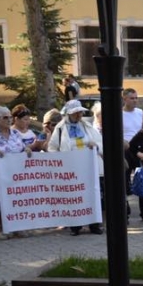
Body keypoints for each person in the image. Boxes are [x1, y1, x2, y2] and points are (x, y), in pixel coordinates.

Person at [49, 99, 105, 236]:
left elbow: (100, 143)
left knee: (92, 195)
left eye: (80, 112)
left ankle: (94, 225)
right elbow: (52, 148)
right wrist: (61, 162)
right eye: (76, 113)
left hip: (88, 169)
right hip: (71, 170)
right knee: (75, 197)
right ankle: (76, 226)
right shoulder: (60, 129)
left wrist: (95, 146)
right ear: (69, 114)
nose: (79, 115)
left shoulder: (86, 126)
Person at [0, 106, 34, 239]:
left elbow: (21, 148)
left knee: (17, 200)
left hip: (16, 174)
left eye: (10, 116)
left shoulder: (15, 134)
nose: (10, 119)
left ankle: (18, 227)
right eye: (6, 117)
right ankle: (3, 228)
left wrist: (26, 150)